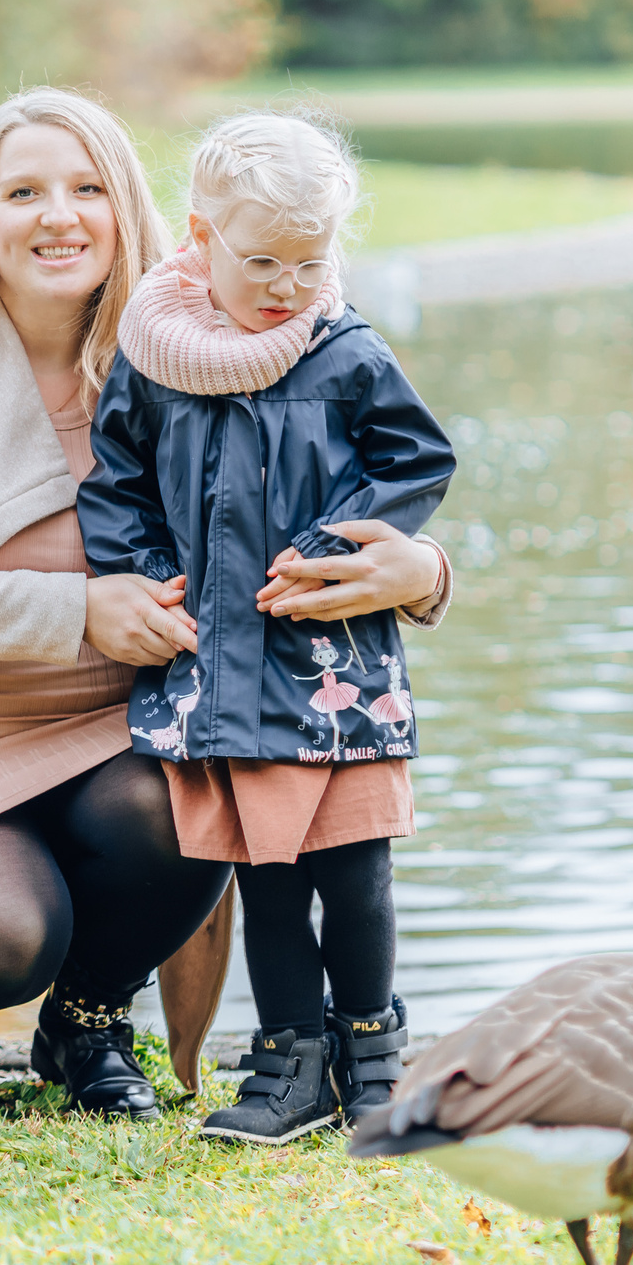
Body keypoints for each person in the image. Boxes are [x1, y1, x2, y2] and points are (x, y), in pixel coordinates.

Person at [0, 87, 454, 1125]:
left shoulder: (199, 348)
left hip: (121, 730)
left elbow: (333, 482)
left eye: (85, 188)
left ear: (131, 212)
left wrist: (418, 571)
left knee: (203, 794)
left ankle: (88, 1018)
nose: (56, 215)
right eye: (22, 190)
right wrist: (78, 612)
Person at [80, 111, 454, 1143]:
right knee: (267, 876)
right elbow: (115, 488)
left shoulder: (345, 353)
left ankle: (372, 1053)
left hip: (337, 665)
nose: (286, 284)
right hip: (221, 673)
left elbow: (418, 459)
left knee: (356, 869)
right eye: (261, 262)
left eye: (309, 260)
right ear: (197, 239)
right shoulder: (153, 361)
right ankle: (288, 1062)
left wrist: (347, 547)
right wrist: (145, 576)